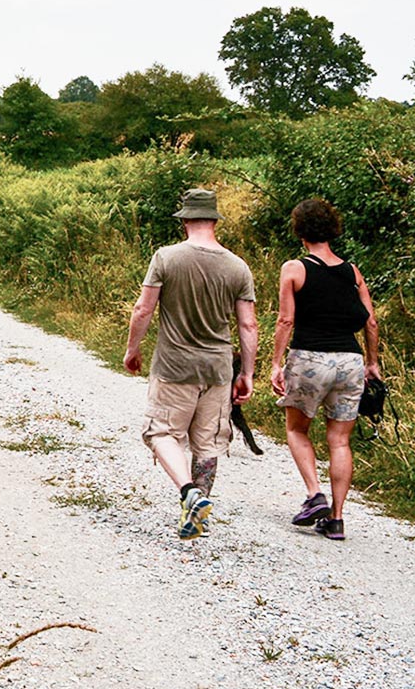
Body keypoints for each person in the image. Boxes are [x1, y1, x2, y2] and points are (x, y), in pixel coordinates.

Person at [124, 188, 258, 540]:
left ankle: (188, 492)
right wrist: (246, 373)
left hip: (174, 366)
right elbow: (248, 325)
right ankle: (199, 511)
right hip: (217, 370)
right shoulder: (237, 266)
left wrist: (132, 349)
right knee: (208, 444)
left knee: (160, 432)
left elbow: (143, 309)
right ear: (214, 220)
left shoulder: (166, 258)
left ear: (184, 220)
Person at [269, 197, 380, 541]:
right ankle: (336, 518)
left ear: (300, 232)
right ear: (332, 229)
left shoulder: (295, 269)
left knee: (297, 429)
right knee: (340, 440)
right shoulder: (352, 271)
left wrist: (275, 363)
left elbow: (286, 319)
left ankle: (314, 494)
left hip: (310, 359)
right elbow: (371, 322)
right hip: (350, 361)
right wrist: (372, 363)